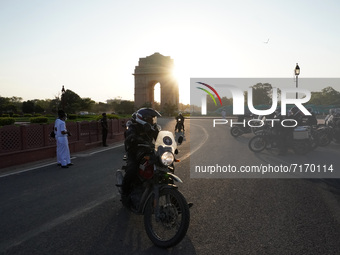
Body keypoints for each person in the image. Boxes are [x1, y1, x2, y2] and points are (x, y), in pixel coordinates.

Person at [121, 108, 161, 206]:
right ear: (143, 119)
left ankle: (174, 200)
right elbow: (129, 136)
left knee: (165, 166)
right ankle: (125, 194)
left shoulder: (153, 128)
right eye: (150, 119)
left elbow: (159, 138)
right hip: (134, 152)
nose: (152, 121)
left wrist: (168, 145)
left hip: (148, 151)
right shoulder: (133, 127)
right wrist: (134, 138)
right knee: (132, 169)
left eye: (153, 119)